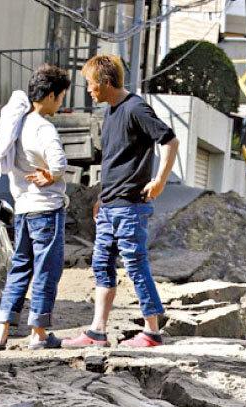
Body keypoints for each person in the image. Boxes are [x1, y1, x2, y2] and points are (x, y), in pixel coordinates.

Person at [63, 54, 179, 349]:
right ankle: (97, 331)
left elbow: (169, 140)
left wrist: (160, 181)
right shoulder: (111, 113)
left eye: (90, 84)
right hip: (110, 205)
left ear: (104, 82)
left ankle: (152, 333)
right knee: (101, 264)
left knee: (135, 264)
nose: (88, 90)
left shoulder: (135, 108)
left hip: (130, 206)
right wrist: (101, 197)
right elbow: (115, 162)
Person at [0, 65, 71, 350]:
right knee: (47, 269)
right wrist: (52, 175)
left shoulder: (18, 124)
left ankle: (2, 331)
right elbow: (59, 163)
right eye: (60, 97)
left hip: (22, 209)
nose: (61, 102)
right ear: (49, 95)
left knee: (20, 267)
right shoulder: (44, 127)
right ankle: (38, 332)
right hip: (46, 209)